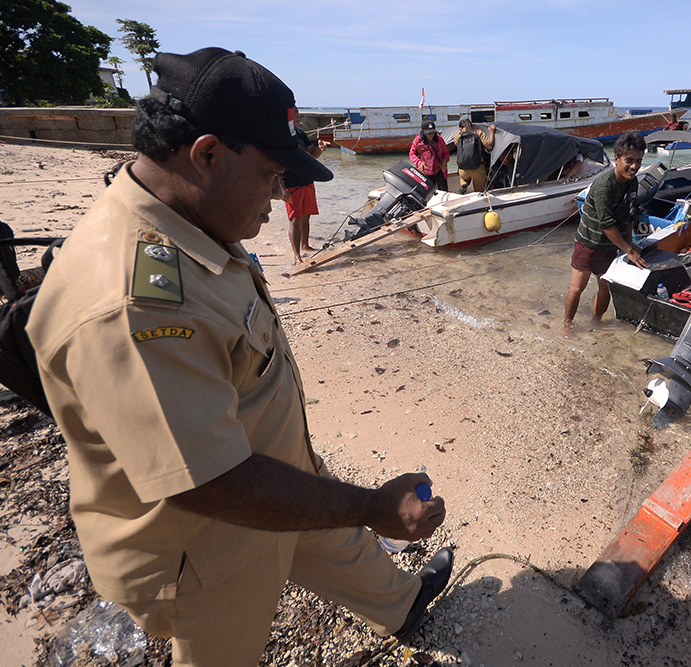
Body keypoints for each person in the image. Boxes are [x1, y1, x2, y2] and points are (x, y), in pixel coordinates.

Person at [25, 47, 453, 666]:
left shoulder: (191, 223)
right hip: (208, 544)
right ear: (206, 155)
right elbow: (211, 483)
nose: (281, 195)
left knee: (332, 534)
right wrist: (372, 506)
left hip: (271, 473)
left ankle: (403, 604)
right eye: (271, 175)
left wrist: (328, 492)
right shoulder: (132, 301)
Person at [563, 132, 649, 337]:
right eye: (629, 161)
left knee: (605, 288)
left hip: (610, 246)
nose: (634, 167)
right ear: (617, 159)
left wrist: (629, 243)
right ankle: (566, 325)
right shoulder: (604, 186)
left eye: (638, 161)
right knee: (577, 288)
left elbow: (629, 216)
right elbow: (607, 225)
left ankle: (596, 321)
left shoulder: (633, 183)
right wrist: (628, 250)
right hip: (588, 243)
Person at [282, 106, 330, 264]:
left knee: (306, 216)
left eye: (298, 112)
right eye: (294, 112)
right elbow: (275, 163)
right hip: (291, 183)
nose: (298, 115)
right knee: (294, 219)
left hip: (308, 181)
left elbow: (313, 153)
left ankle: (305, 245)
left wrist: (321, 149)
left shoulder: (301, 133)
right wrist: (281, 187)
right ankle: (296, 255)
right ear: (287, 115)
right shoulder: (282, 135)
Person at [451, 118, 495, 193]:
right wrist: (492, 133)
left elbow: (456, 145)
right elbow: (489, 146)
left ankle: (464, 184)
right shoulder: (478, 132)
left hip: (463, 169)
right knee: (479, 192)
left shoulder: (457, 136)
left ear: (460, 128)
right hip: (478, 168)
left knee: (463, 178)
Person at [409, 120, 450, 191]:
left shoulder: (439, 139)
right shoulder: (418, 141)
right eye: (429, 133)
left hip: (439, 170)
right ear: (424, 133)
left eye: (433, 133)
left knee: (444, 190)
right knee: (428, 192)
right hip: (425, 171)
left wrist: (445, 161)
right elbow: (412, 154)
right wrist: (419, 163)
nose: (431, 135)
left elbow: (446, 153)